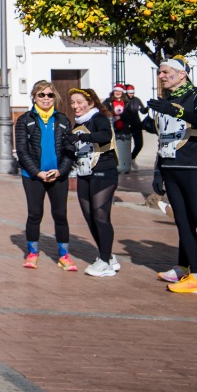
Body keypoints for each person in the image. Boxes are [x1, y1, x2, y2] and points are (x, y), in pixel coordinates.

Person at [139, 58, 197, 298]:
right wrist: (158, 171)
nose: (161, 76)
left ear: (181, 74)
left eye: (165, 72)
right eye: (160, 72)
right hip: (171, 168)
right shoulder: (167, 100)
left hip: (194, 167)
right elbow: (164, 139)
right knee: (183, 223)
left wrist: (175, 110)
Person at [13, 79, 76, 270]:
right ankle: (32, 253)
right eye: (41, 94)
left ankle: (64, 255)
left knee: (60, 215)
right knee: (35, 214)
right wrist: (38, 173)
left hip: (58, 176)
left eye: (50, 94)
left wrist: (61, 171)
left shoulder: (63, 120)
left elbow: (69, 150)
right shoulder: (24, 120)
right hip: (33, 176)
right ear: (34, 97)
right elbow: (22, 151)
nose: (46, 98)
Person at [68, 88, 121, 276]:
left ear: (90, 103)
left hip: (103, 172)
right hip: (84, 173)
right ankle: (108, 256)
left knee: (100, 215)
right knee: (89, 216)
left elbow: (105, 135)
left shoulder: (98, 118)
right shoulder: (77, 123)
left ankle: (104, 261)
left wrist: (81, 137)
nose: (75, 106)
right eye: (73, 102)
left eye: (79, 102)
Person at [106, 84, 137, 175]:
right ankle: (114, 167)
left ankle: (124, 166)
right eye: (116, 91)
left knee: (124, 149)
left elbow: (132, 114)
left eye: (119, 91)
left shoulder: (127, 102)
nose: (117, 93)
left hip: (124, 129)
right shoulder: (108, 102)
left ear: (122, 92)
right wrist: (112, 116)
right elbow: (103, 111)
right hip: (112, 129)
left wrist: (121, 117)